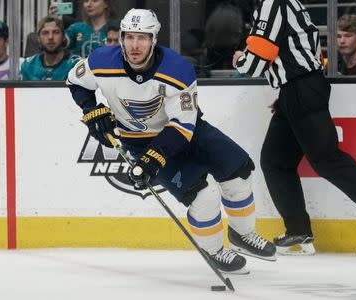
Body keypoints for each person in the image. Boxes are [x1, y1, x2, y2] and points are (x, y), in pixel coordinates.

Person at [66, 8, 277, 274]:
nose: (134, 45)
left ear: (154, 39)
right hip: (140, 142)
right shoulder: (101, 61)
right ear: (120, 38)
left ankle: (242, 235)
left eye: (142, 38)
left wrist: (153, 161)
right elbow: (75, 81)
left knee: (239, 170)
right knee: (203, 196)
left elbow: (183, 125)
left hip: (187, 131)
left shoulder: (178, 70)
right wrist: (90, 109)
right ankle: (214, 250)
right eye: (128, 37)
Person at [233, 0, 356, 255]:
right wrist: (287, 95)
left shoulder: (274, 3)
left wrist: (240, 60)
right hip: (295, 91)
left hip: (301, 89)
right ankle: (298, 229)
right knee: (275, 161)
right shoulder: (288, 3)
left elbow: (256, 61)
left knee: (327, 159)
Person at [21, 16, 80, 81]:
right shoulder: (28, 65)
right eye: (45, 33)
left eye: (56, 32)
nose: (50, 37)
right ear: (38, 38)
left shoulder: (76, 65)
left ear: (63, 37)